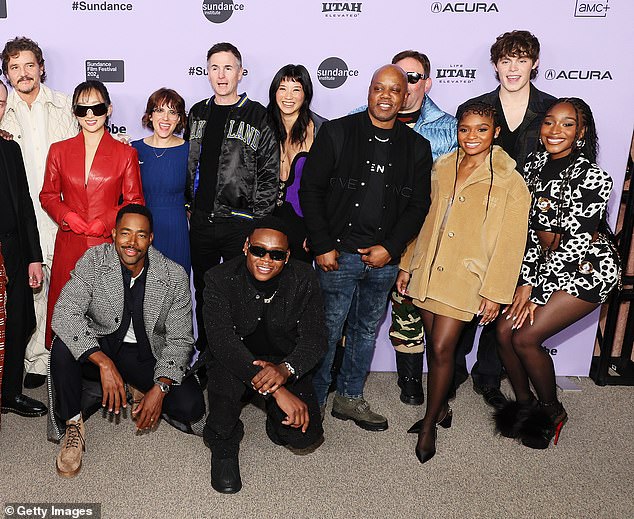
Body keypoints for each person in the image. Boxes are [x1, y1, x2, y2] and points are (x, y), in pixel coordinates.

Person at [396, 101, 530, 463]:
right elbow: (425, 220)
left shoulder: (510, 181)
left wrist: (495, 292)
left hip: (467, 278)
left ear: (496, 131)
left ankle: (428, 423)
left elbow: (511, 244)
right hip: (429, 269)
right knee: (434, 348)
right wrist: (408, 264)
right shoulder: (442, 165)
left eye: (481, 129)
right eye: (465, 129)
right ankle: (440, 410)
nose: (472, 136)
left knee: (441, 349)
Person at [300, 65, 432, 431]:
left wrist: (390, 249)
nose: (386, 95)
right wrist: (323, 245)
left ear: (405, 97)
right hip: (336, 256)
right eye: (379, 88)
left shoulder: (417, 147)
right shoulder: (339, 132)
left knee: (364, 331)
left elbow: (418, 206)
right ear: (369, 92)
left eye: (394, 90)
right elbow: (310, 190)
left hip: (382, 261)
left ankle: (349, 398)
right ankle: (313, 398)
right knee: (326, 330)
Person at [495, 98, 620, 450]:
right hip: (544, 266)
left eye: (567, 124)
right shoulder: (533, 165)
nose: (555, 131)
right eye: (550, 122)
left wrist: (535, 292)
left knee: (525, 337)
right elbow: (531, 233)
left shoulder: (594, 178)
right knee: (503, 331)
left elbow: (575, 245)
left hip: (588, 270)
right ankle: (524, 407)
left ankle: (552, 411)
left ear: (580, 132)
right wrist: (525, 281)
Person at [49, 204, 205, 478]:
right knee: (63, 345)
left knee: (190, 406)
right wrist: (104, 363)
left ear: (151, 238)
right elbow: (64, 313)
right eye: (125, 233)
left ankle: (135, 386)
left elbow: (181, 340)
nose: (132, 243)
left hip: (143, 353)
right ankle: (74, 425)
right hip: (101, 344)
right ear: (113, 234)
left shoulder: (173, 275)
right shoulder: (94, 261)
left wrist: (160, 387)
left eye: (141, 235)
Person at [454, 30, 556, 409]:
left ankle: (488, 376)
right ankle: (452, 370)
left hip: (529, 223)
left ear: (535, 63)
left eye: (522, 60)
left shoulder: (550, 109)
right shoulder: (477, 105)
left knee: (507, 300)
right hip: (479, 220)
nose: (513, 69)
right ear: (495, 65)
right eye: (506, 61)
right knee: (468, 294)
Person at [202, 216, 326, 494]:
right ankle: (224, 444)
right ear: (246, 246)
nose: (266, 259)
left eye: (276, 254)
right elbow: (223, 342)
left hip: (282, 358)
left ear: (287, 256)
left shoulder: (304, 278)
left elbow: (316, 338)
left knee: (303, 435)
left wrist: (286, 370)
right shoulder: (219, 279)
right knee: (223, 400)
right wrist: (278, 391)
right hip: (234, 356)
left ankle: (272, 417)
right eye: (258, 250)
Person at [186, 42, 279, 354]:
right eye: (214, 68)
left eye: (228, 68)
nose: (221, 74)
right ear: (207, 73)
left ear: (240, 73)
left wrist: (257, 222)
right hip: (200, 222)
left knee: (243, 292)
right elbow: (188, 162)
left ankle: (240, 355)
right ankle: (208, 352)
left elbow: (269, 172)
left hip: (240, 223)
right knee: (204, 290)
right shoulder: (197, 112)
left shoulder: (258, 116)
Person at [40, 80, 144, 350]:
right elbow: (48, 195)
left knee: (105, 321)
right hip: (69, 244)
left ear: (108, 109)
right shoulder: (58, 151)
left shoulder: (125, 153)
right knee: (66, 319)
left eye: (96, 108)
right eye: (82, 109)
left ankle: (108, 382)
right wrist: (67, 216)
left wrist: (106, 221)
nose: (89, 115)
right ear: (74, 112)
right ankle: (65, 384)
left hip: (107, 246)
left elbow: (135, 202)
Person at [0, 37, 78, 389]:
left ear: (41, 67)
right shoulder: (3, 109)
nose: (23, 73)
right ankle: (35, 360)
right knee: (32, 290)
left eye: (29, 65)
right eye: (14, 67)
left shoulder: (64, 105)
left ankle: (70, 355)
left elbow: (88, 142)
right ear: (7, 74)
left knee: (69, 289)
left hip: (62, 213)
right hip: (19, 220)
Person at [386, 50, 457, 406]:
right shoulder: (361, 118)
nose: (406, 83)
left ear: (426, 83)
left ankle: (411, 381)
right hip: (371, 234)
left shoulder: (451, 128)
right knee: (353, 311)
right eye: (400, 76)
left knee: (410, 307)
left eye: (414, 77)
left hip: (422, 237)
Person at [0, 134, 47, 417]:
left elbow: (24, 203)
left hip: (13, 247)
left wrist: (34, 257)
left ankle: (9, 394)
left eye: (1, 103)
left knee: (19, 319)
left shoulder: (9, 147)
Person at [267, 64, 326, 263]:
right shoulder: (262, 126)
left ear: (306, 94)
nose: (288, 96)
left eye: (296, 89)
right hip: (266, 220)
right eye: (282, 88)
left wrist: (317, 232)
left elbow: (329, 188)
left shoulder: (322, 130)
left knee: (298, 285)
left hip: (303, 224)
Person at [132, 88, 190, 273]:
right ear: (149, 115)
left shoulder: (191, 152)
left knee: (176, 288)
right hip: (140, 230)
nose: (165, 118)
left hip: (176, 229)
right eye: (159, 110)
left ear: (180, 119)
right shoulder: (133, 150)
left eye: (172, 112)